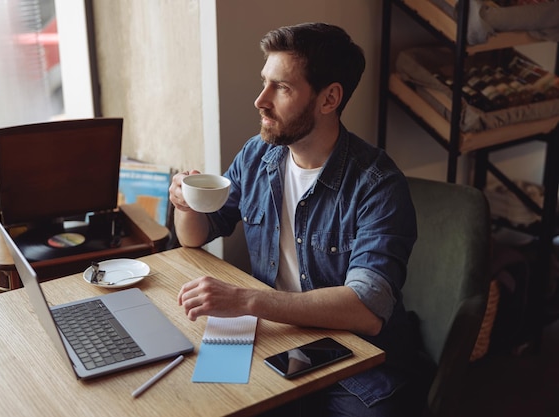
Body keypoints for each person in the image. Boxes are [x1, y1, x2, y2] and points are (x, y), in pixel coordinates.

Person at [169, 22, 431, 416]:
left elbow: (366, 309)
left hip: (354, 359)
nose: (260, 100)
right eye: (264, 82)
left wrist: (245, 300)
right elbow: (197, 235)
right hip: (274, 338)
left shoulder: (377, 183)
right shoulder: (258, 156)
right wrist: (186, 204)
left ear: (329, 99)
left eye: (282, 88)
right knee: (200, 400)